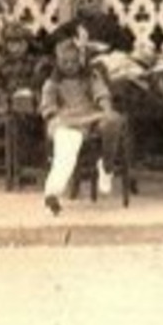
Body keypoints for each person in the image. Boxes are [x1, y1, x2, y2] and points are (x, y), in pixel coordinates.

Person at [38, 38, 127, 216]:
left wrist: (106, 108)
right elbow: (48, 107)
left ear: (80, 59)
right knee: (66, 150)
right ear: (58, 61)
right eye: (65, 62)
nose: (70, 65)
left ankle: (107, 166)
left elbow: (101, 93)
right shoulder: (52, 83)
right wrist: (55, 119)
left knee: (113, 121)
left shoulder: (90, 76)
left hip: (90, 116)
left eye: (74, 61)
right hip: (67, 120)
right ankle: (52, 194)